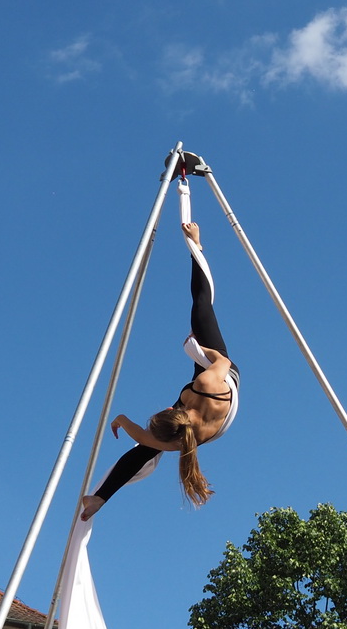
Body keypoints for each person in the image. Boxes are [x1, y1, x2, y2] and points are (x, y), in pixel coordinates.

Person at [80, 221, 237, 518]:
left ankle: (99, 499)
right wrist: (200, 350)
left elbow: (141, 437)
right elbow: (224, 363)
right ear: (176, 410)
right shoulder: (206, 383)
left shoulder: (173, 440)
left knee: (144, 451)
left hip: (205, 418)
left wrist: (122, 420)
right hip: (222, 385)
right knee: (201, 308)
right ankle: (197, 248)